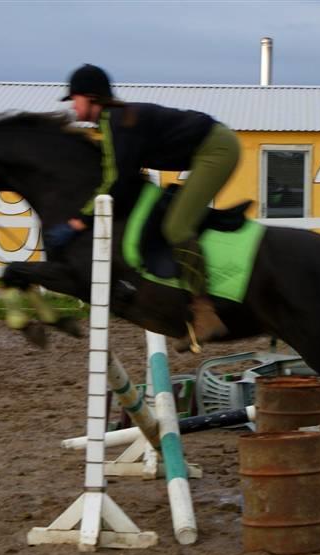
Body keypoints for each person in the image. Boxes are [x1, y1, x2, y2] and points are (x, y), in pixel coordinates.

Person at [61, 64, 241, 351]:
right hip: (207, 147)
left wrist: (81, 220)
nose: (72, 104)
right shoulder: (113, 121)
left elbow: (118, 180)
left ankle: (206, 313)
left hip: (217, 149)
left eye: (74, 98)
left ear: (91, 97)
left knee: (177, 226)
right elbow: (121, 176)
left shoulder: (118, 121)